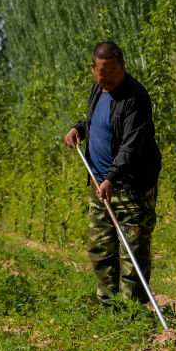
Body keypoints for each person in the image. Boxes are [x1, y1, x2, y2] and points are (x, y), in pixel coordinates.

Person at [64, 42, 161, 305]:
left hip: (130, 187)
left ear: (123, 67)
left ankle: (133, 314)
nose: (107, 79)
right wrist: (78, 129)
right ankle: (108, 308)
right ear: (93, 69)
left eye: (113, 72)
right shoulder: (99, 89)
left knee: (132, 257)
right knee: (101, 250)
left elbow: (131, 145)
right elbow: (97, 122)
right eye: (101, 73)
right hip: (99, 184)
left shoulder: (136, 97)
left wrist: (111, 177)